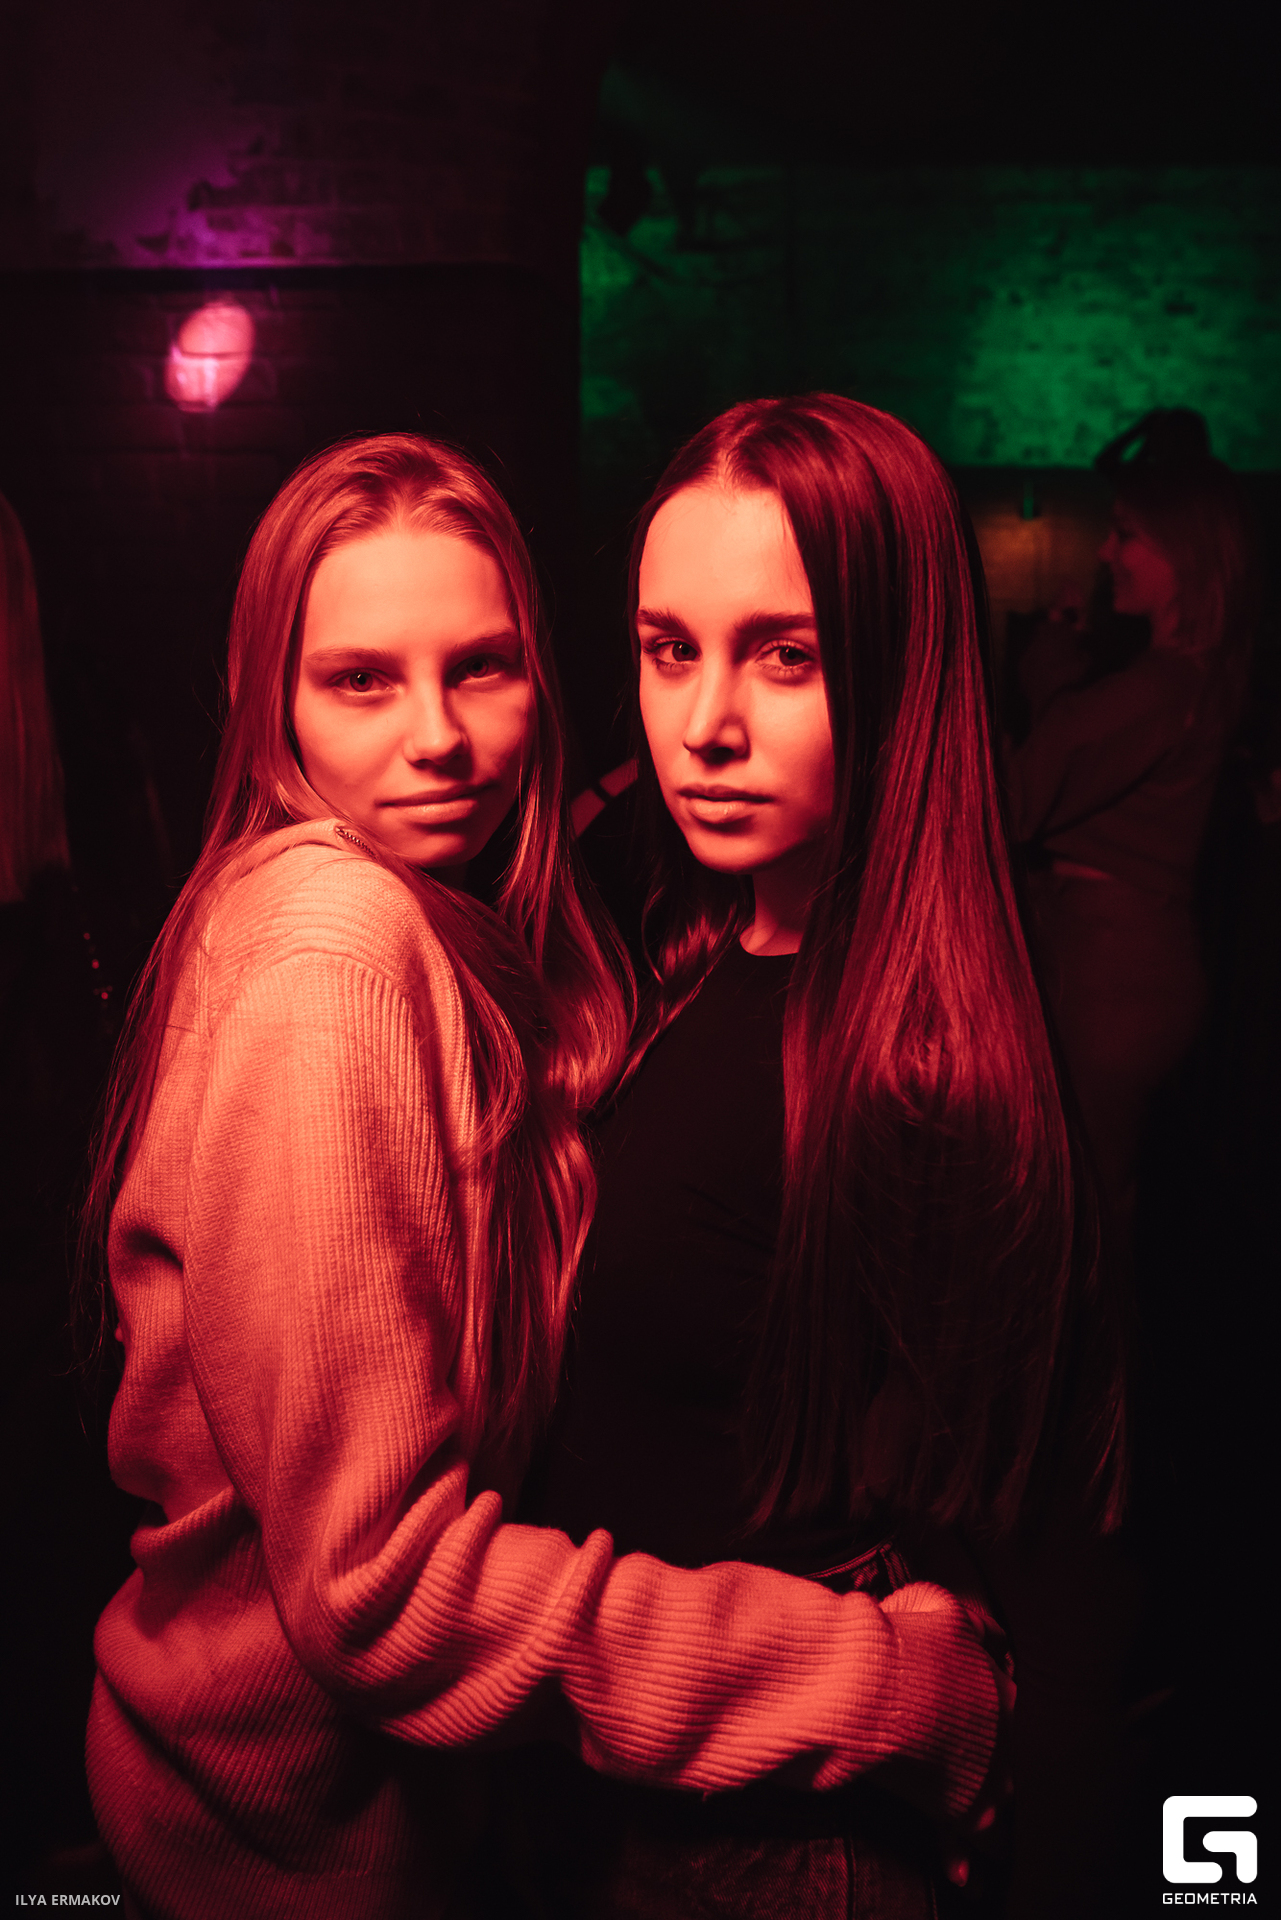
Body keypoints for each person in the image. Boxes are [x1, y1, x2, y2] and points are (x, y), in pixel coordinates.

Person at [81, 434, 1007, 1920]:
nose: (437, 739)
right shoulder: (338, 955)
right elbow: (378, 1596)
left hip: (383, 1817)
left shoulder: (463, 920)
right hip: (297, 1849)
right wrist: (883, 1689)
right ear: (273, 700)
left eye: (484, 667)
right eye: (361, 680)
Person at [500, 395, 1125, 1917]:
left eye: (785, 656)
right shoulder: (687, 943)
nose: (704, 723)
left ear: (900, 670)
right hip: (632, 1800)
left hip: (783, 1848)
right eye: (668, 649)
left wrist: (1004, 1770)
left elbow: (1046, 1564)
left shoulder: (919, 1066)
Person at [1005, 420, 1258, 1245]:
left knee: (1072, 1215)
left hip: (1108, 978)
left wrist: (1046, 662)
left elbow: (1021, 795)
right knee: (1096, 1203)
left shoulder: (1157, 687)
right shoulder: (1199, 676)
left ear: (1183, 554)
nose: (1105, 553)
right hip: (1138, 966)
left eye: (1125, 535)